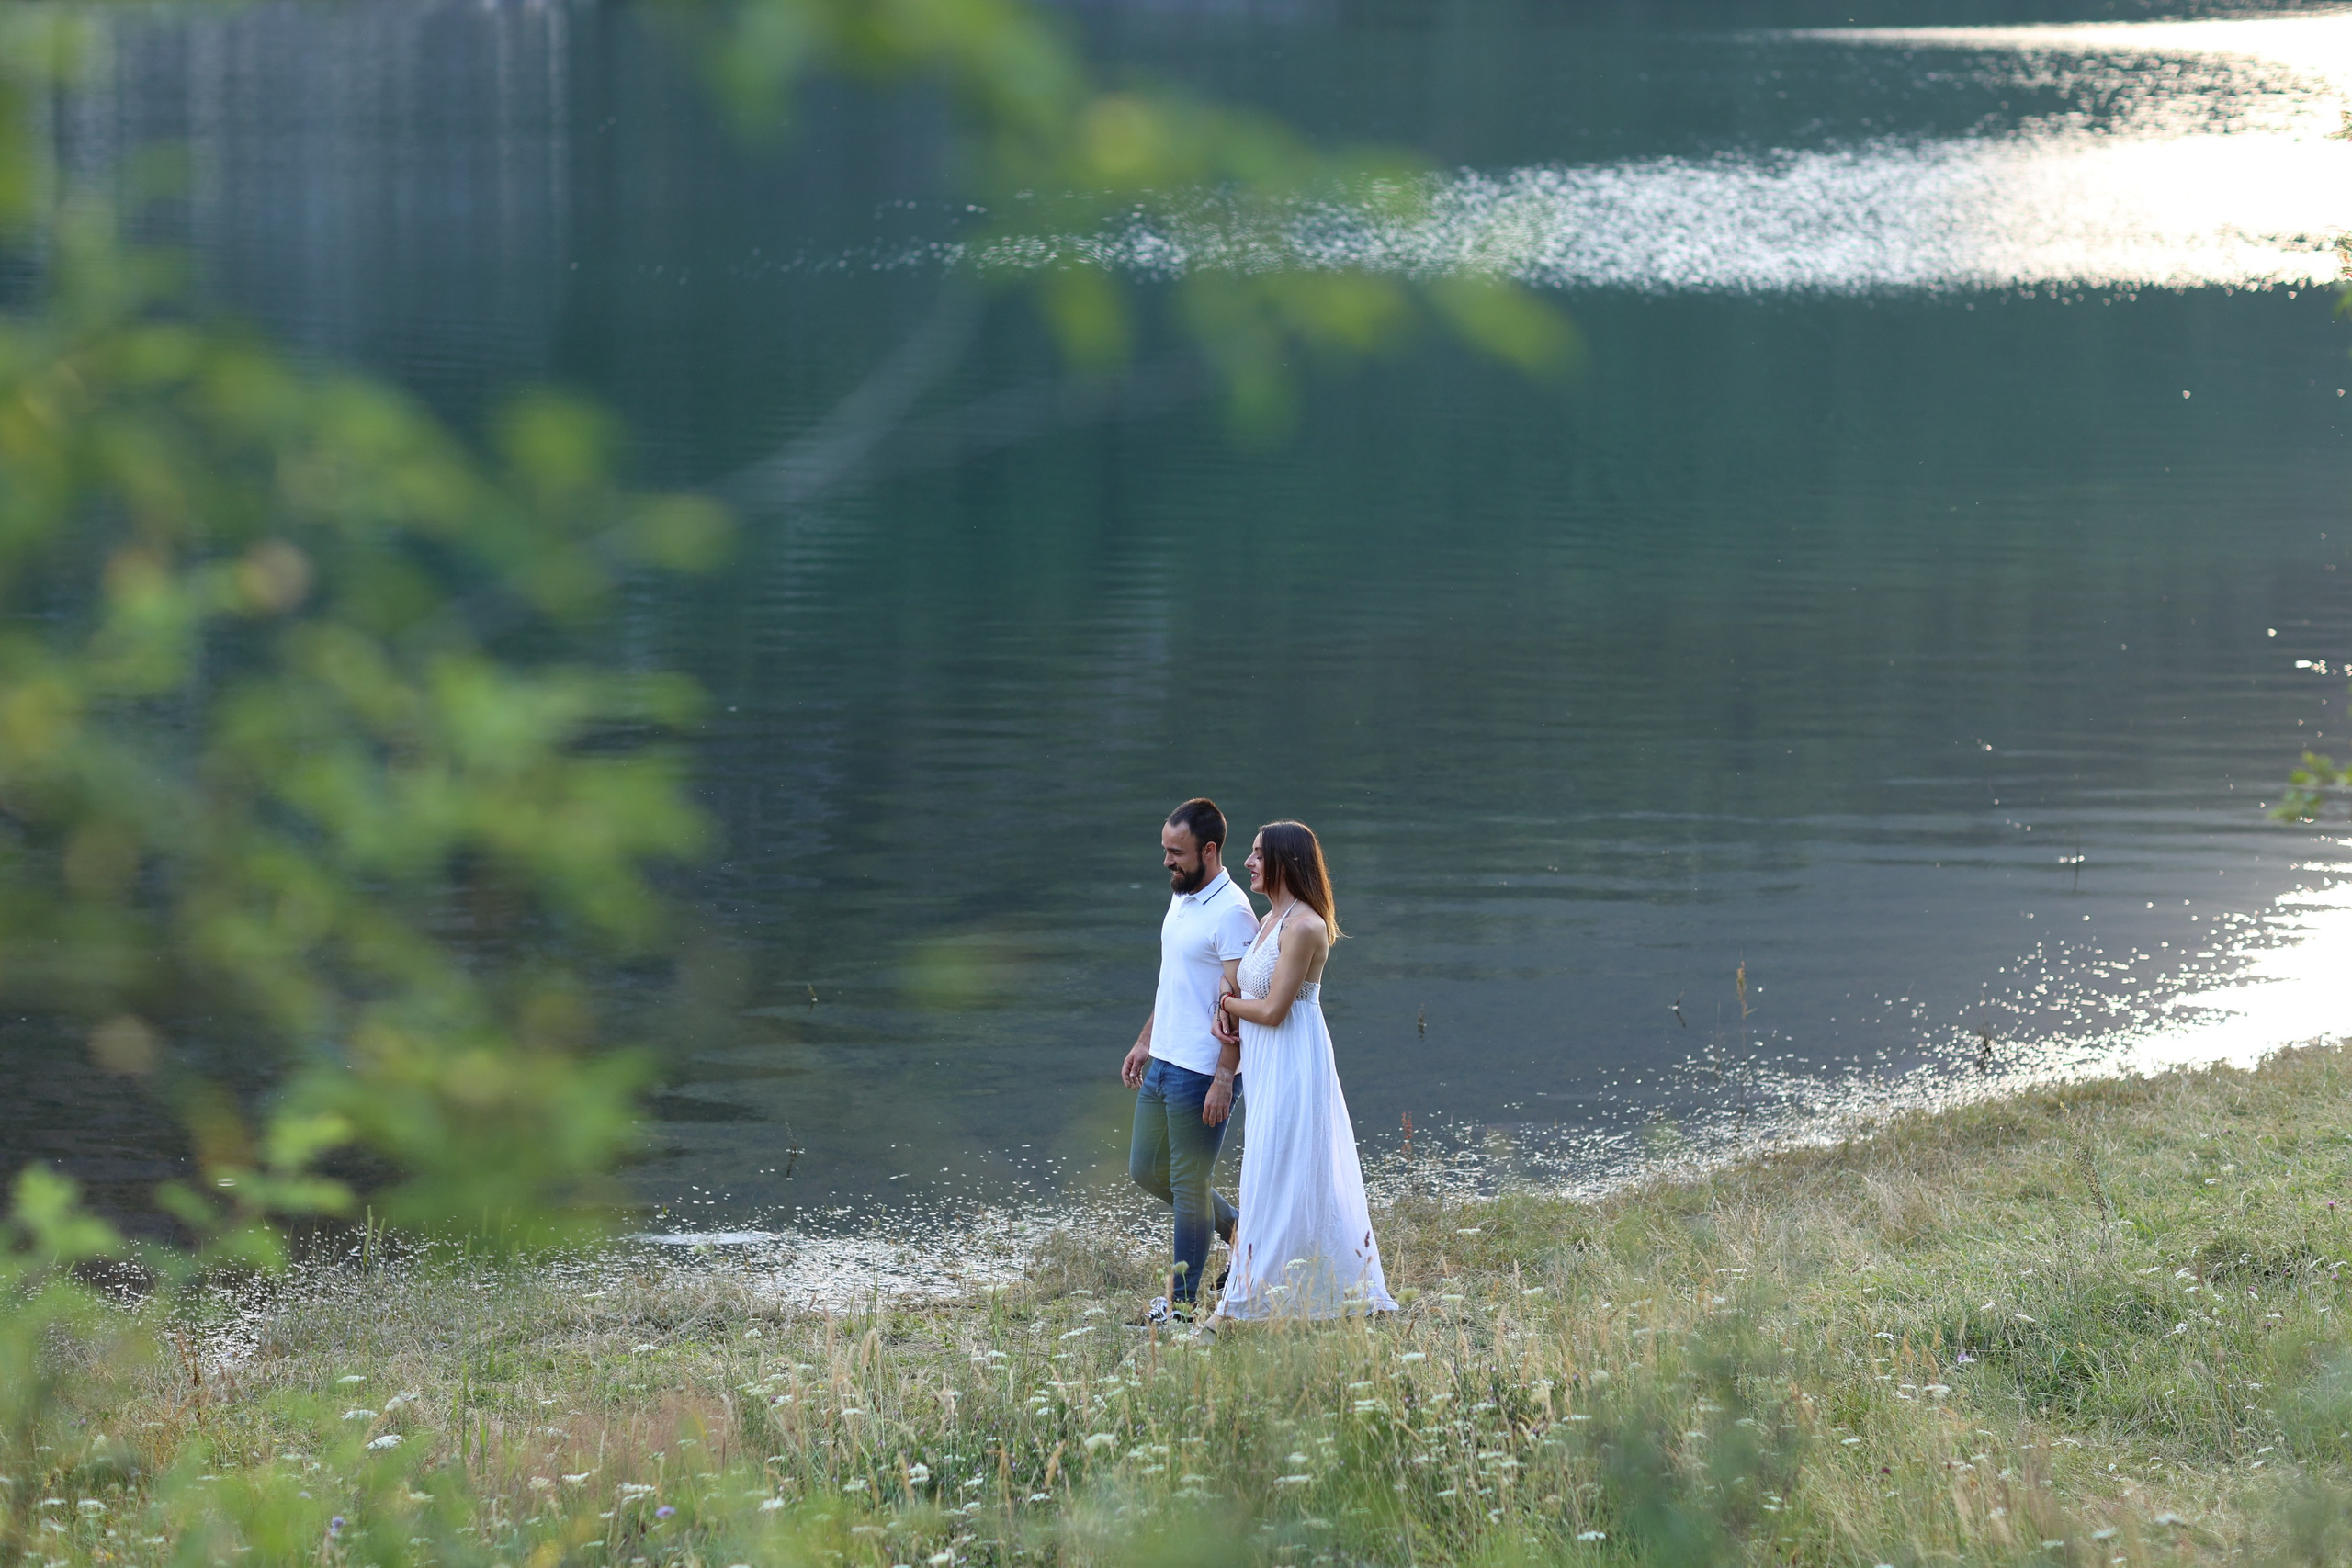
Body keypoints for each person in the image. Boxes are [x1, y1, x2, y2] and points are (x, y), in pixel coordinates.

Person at [1214, 821, 1396, 1322]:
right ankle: (1279, 1287)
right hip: (1267, 1060)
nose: (1248, 863)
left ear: (1284, 862)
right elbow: (1250, 992)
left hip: (1294, 1057)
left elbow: (1272, 1009)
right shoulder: (1270, 919)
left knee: (1287, 1166)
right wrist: (1227, 1010)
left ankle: (1251, 1300)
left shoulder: (1305, 925)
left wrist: (1229, 1002)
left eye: (1257, 855)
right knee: (1270, 1166)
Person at [1122, 797, 1258, 1326]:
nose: (1166, 863)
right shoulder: (1183, 895)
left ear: (1209, 850)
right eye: (1164, 851)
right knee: (1145, 1170)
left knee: (1186, 1186)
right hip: (1164, 1061)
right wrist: (1144, 1040)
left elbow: (1242, 1002)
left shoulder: (1233, 914)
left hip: (1202, 1072)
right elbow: (1176, 982)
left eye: (1176, 853)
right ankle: (1242, 1236)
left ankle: (1179, 1309)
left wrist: (1226, 1076)